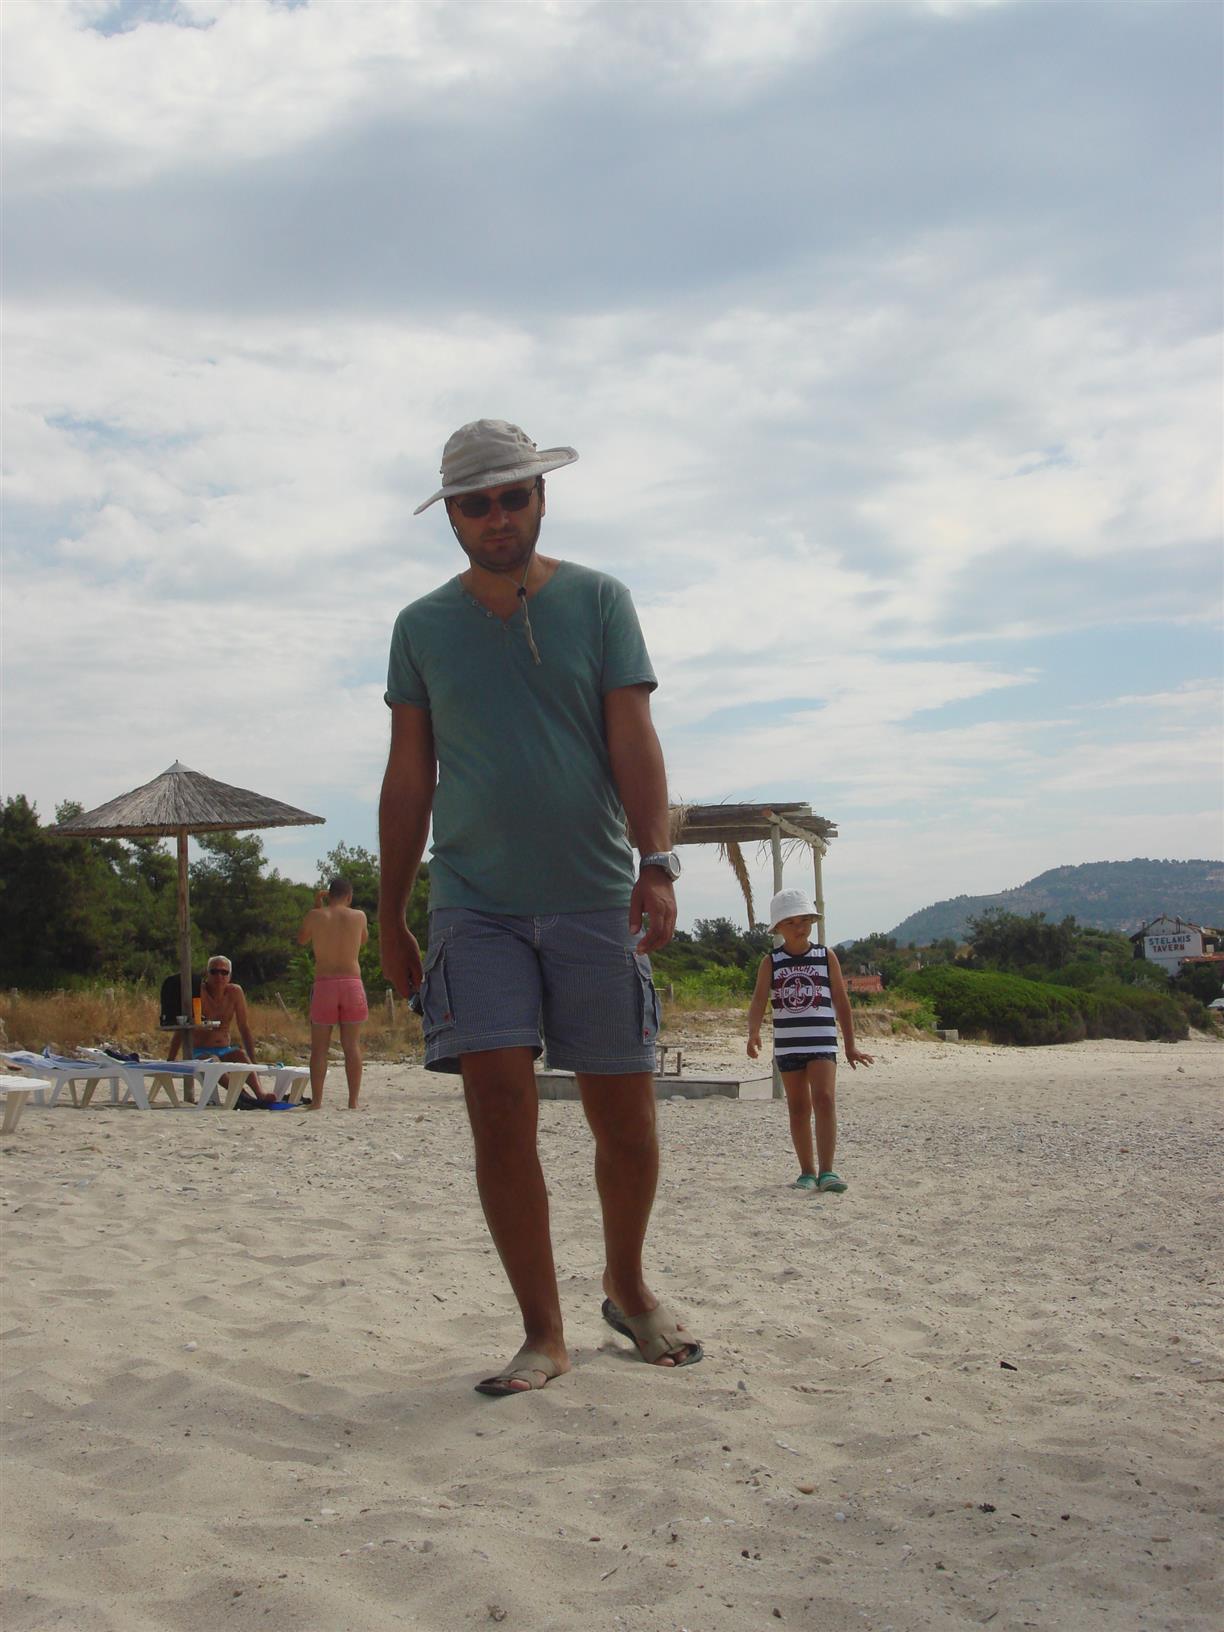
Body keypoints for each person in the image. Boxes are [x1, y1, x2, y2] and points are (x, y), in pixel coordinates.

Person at [379, 417, 702, 1396]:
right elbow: (408, 775)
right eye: (476, 504)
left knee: (625, 1120)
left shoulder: (600, 601)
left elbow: (633, 738)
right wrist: (393, 911)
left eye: (512, 497)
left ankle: (627, 1287)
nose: (497, 517)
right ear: (452, 517)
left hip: (596, 892)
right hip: (473, 903)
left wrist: (657, 863)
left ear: (540, 497)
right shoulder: (420, 628)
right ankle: (542, 1333)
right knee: (498, 1112)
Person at [747, 889, 874, 1191]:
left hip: (822, 1042)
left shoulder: (825, 956)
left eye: (804, 920)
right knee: (799, 1107)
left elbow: (841, 1002)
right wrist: (753, 1033)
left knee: (825, 1100)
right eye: (791, 922)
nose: (799, 927)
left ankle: (827, 1171)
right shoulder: (771, 962)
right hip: (789, 1045)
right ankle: (807, 1171)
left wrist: (850, 1045)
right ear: (778, 927)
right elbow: (759, 1000)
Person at [167, 955, 285, 1107]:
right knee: (213, 1061)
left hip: (224, 1048)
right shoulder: (198, 993)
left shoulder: (235, 992)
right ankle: (241, 1095)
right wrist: (171, 1059)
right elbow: (182, 1028)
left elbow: (244, 1027)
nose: (219, 976)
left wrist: (253, 1061)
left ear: (230, 975)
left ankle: (260, 1093)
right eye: (214, 972)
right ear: (207, 974)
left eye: (224, 972)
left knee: (240, 1055)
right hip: (200, 1050)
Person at [297, 878, 369, 1110]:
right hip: (351, 982)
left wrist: (317, 907)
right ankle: (353, 1101)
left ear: (327, 895)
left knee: (319, 1048)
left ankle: (317, 1101)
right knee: (352, 1046)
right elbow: (363, 940)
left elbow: (302, 939)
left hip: (325, 984)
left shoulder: (315, 915)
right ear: (349, 896)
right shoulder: (359, 916)